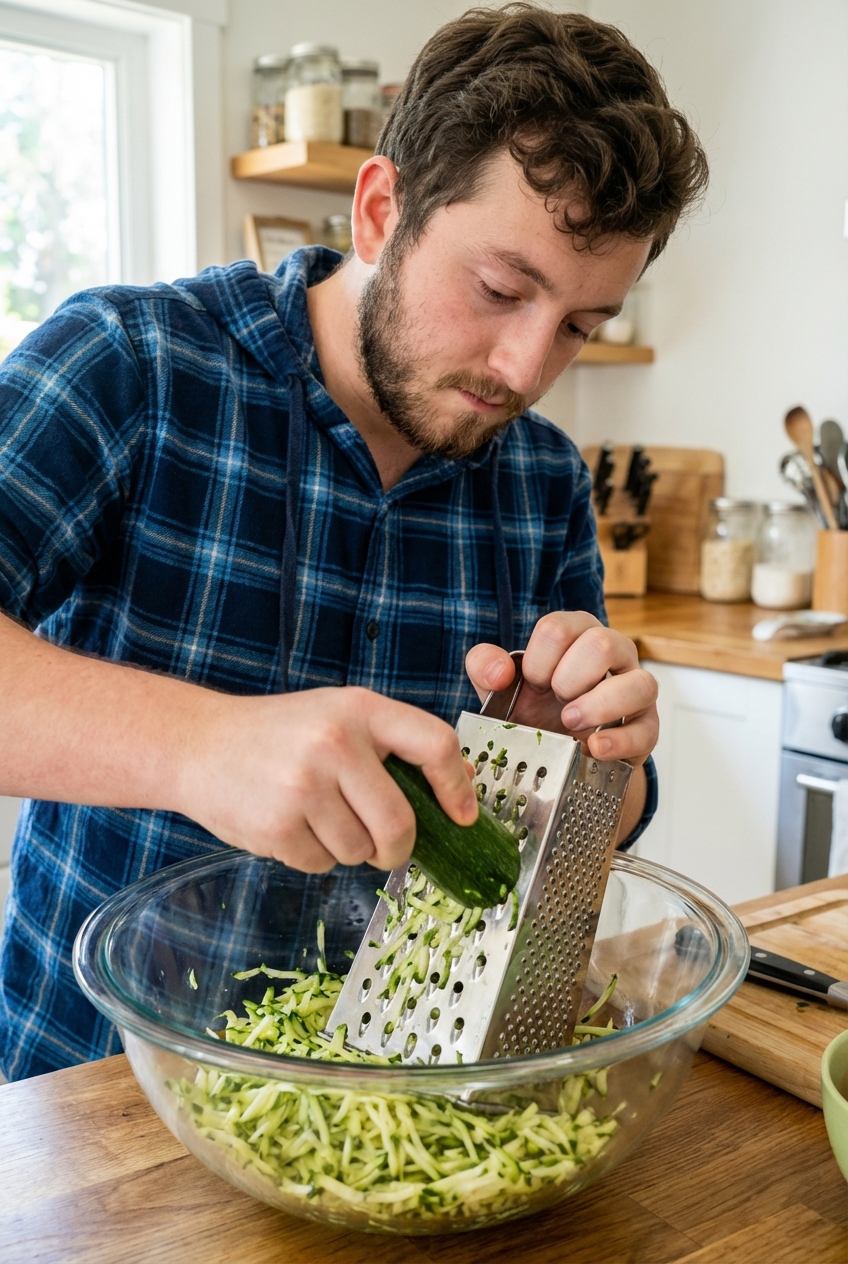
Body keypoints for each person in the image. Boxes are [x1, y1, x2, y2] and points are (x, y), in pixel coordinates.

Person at [0, 3, 707, 1080]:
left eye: (576, 326)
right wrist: (194, 747)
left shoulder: (543, 482)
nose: (523, 370)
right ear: (381, 212)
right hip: (96, 1098)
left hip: (395, 1119)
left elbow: (597, 823)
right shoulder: (131, 365)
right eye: (500, 289)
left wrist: (599, 762)